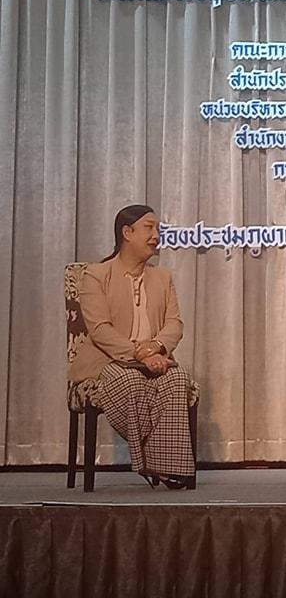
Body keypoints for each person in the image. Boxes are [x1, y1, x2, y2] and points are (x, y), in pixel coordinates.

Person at [73, 204, 196, 489]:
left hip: (155, 359)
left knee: (177, 378)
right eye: (149, 228)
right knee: (130, 381)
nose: (156, 236)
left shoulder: (162, 277)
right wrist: (139, 353)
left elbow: (174, 324)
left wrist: (157, 348)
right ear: (127, 232)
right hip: (108, 362)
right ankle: (152, 463)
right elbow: (100, 329)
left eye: (157, 229)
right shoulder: (96, 275)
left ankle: (166, 465)